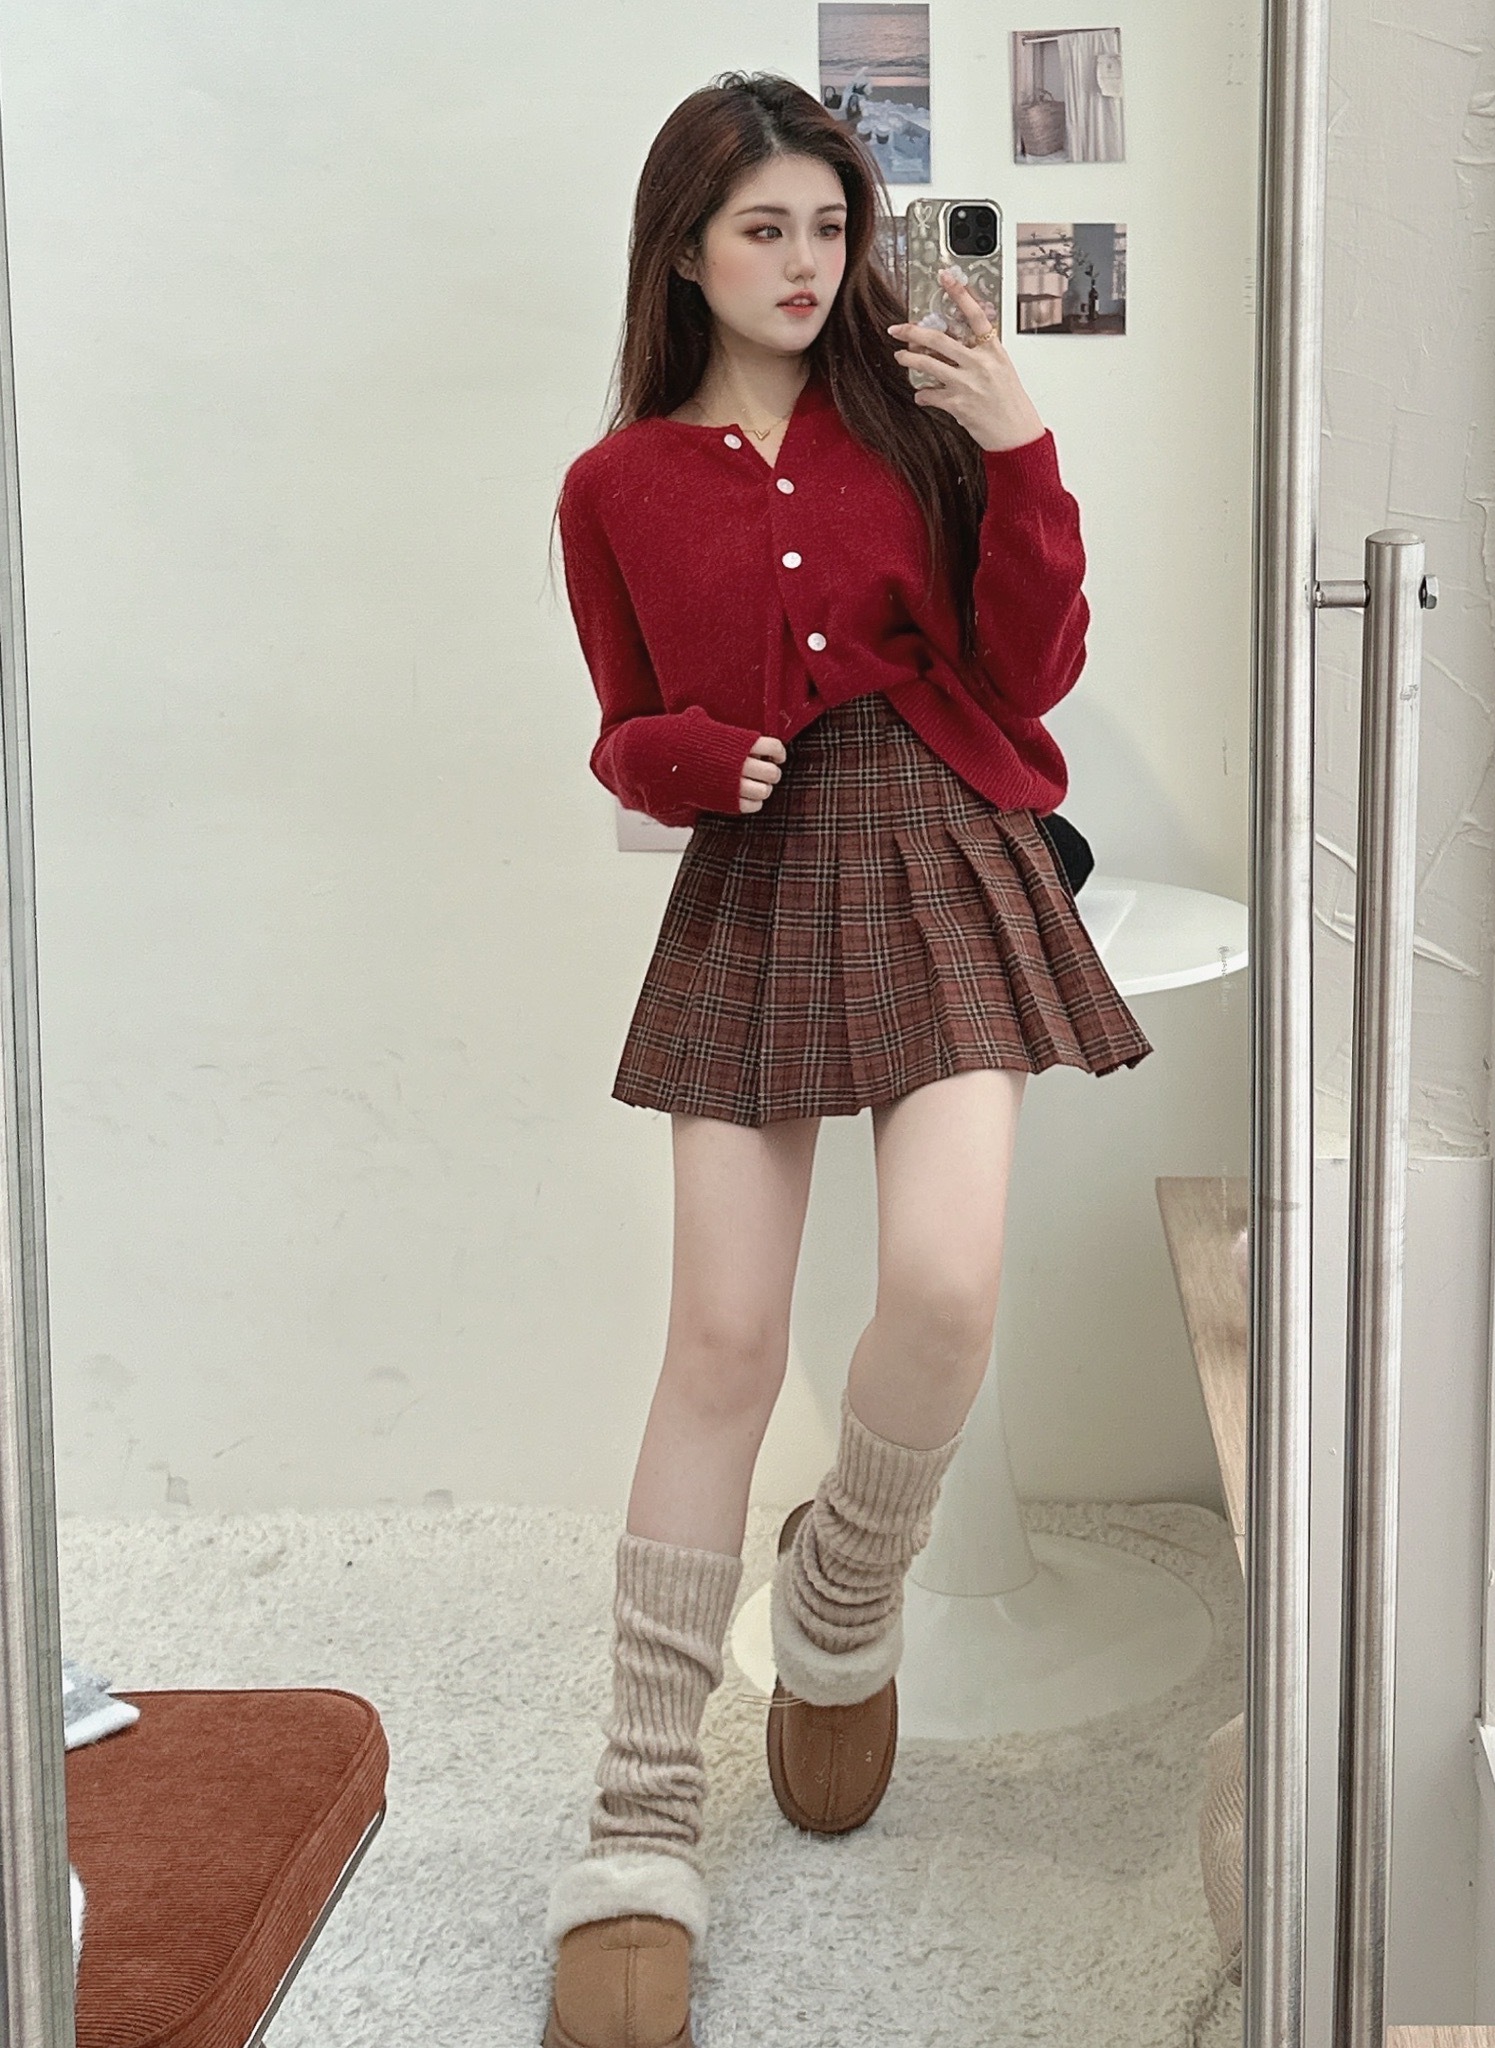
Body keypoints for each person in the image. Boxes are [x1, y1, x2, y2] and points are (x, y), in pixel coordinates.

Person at [541, 71, 1152, 2048]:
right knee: (721, 1340)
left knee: (946, 1289)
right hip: (758, 868)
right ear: (684, 254)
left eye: (828, 225)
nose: (806, 264)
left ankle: (841, 1594)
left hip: (943, 840)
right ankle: (640, 1821)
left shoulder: (919, 416)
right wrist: (684, 757)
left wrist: (1023, 447)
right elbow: (622, 725)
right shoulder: (614, 486)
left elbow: (1028, 667)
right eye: (763, 231)